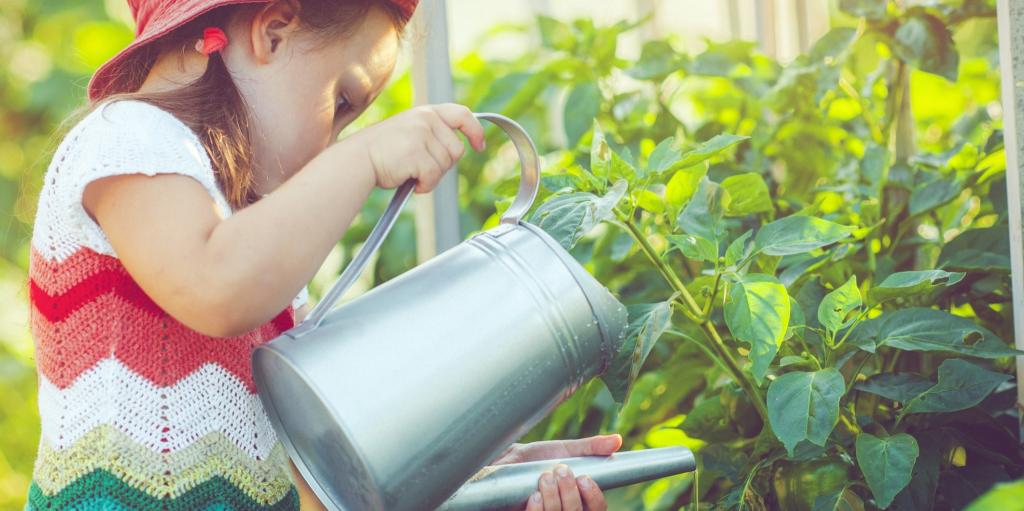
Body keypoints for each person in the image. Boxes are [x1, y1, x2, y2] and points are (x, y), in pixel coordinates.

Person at [24, 0, 623, 509]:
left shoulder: (259, 252)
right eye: (343, 103)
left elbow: (318, 484)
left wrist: (471, 478)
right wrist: (361, 158)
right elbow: (215, 285)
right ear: (274, 30)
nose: (330, 143)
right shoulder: (127, 139)